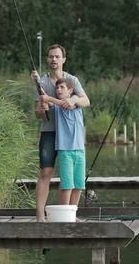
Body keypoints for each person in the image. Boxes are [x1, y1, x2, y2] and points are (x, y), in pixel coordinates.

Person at [33, 44, 90, 222]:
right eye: (50, 56)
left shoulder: (72, 80)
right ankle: (40, 215)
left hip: (71, 138)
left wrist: (73, 99)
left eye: (57, 56)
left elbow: (85, 100)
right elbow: (37, 113)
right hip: (50, 132)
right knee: (46, 173)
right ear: (47, 59)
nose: (54, 59)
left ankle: (69, 214)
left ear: (63, 59)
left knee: (72, 178)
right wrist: (42, 109)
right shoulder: (41, 83)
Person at [40, 78, 85, 209]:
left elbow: (65, 103)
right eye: (57, 88)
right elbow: (52, 103)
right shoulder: (58, 107)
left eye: (62, 87)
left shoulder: (74, 101)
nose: (58, 90)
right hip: (65, 150)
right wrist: (43, 96)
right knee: (67, 184)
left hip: (80, 150)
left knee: (79, 185)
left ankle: (73, 213)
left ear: (70, 90)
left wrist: (48, 98)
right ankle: (65, 212)